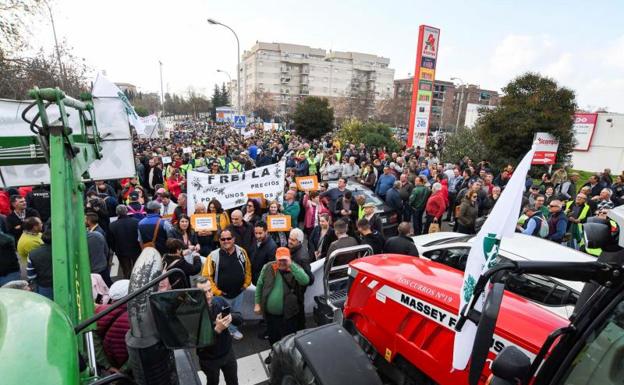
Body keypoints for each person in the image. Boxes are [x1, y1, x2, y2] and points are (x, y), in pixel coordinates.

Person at [254, 247, 310, 362]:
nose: (282, 262)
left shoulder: (294, 268)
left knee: (288, 339)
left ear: (289, 259)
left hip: (288, 314)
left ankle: (288, 359)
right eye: (280, 260)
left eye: (285, 260)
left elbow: (305, 281)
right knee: (273, 337)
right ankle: (274, 353)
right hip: (270, 314)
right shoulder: (268, 267)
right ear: (276, 258)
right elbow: (259, 285)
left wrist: (291, 265)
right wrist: (257, 303)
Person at [201, 229, 251, 340]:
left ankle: (233, 329)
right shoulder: (213, 256)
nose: (226, 241)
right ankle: (224, 332)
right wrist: (217, 292)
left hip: (239, 292)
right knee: (223, 315)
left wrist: (246, 284)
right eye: (223, 239)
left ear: (233, 239)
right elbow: (207, 276)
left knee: (235, 314)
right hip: (222, 295)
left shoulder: (241, 252)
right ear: (219, 240)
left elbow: (247, 269)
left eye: (228, 238)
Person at [196, 277, 241, 385]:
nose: (208, 296)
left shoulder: (219, 301)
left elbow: (239, 318)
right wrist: (217, 330)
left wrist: (231, 317)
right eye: (203, 293)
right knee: (212, 382)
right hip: (209, 360)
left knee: (233, 382)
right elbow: (199, 344)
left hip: (227, 353)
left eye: (209, 290)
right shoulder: (194, 313)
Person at [95, 280, 131, 375]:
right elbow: (137, 352)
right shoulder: (137, 318)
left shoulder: (99, 312)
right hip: (130, 371)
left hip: (110, 367)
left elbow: (94, 343)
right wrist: (122, 371)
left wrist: (107, 366)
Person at [287, 227, 313, 330]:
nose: (289, 241)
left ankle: (300, 329)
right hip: (294, 287)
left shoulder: (302, 257)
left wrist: (298, 289)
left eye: (293, 240)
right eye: (289, 238)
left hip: (297, 289)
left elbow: (308, 277)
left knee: (298, 309)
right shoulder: (295, 250)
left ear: (300, 242)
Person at [108, 205, 141, 279]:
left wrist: (115, 249)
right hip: (136, 250)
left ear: (117, 213)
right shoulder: (136, 222)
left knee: (126, 271)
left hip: (121, 251)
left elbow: (111, 241)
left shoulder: (112, 225)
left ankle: (127, 284)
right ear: (127, 211)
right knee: (137, 268)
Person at [26, 226, 53, 299]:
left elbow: (31, 275)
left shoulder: (32, 253)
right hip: (64, 284)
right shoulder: (64, 252)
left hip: (44, 286)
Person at [87, 218, 112, 287]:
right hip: (102, 267)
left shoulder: (78, 243)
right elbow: (106, 250)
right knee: (108, 284)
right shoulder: (97, 235)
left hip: (90, 271)